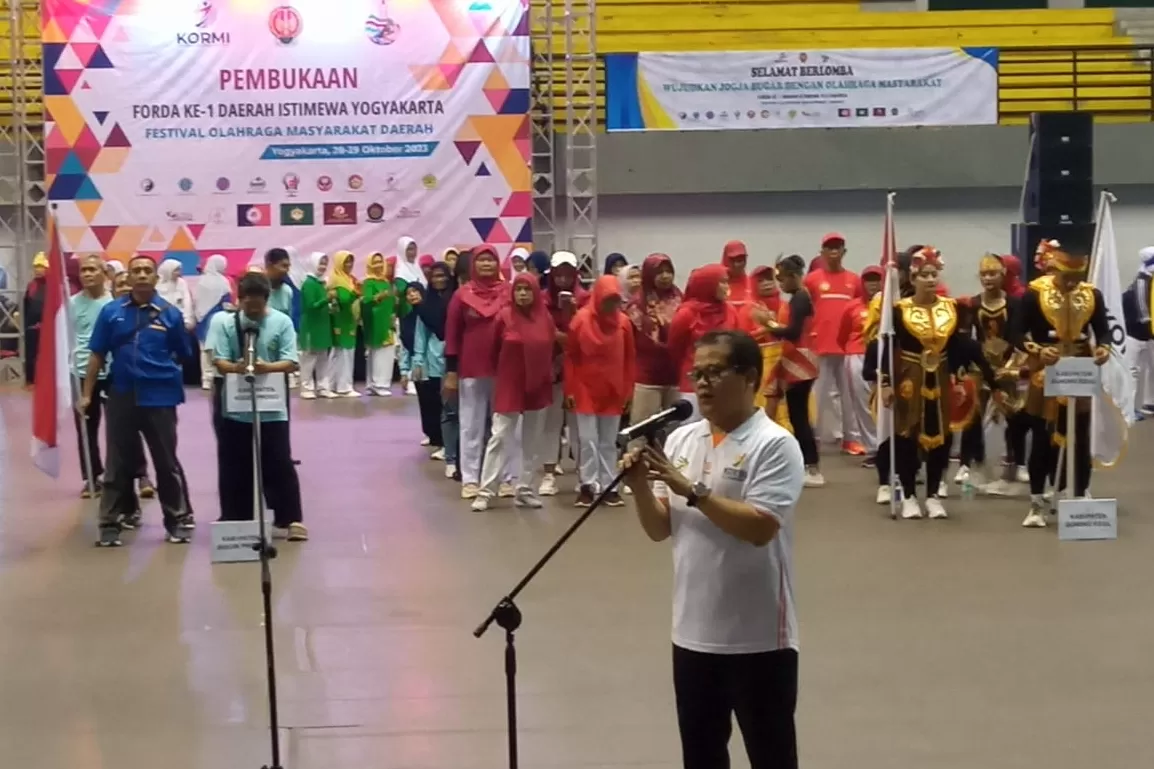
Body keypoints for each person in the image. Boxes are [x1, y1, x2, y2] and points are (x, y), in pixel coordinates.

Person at [622, 329, 805, 769]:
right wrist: (642, 489)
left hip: (759, 638)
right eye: (696, 373)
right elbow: (660, 529)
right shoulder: (684, 439)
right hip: (693, 633)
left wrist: (694, 492)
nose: (701, 384)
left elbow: (760, 528)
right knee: (701, 756)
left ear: (748, 378)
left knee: (771, 754)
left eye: (714, 372)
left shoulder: (775, 445)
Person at [80, 255, 195, 547]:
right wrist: (86, 393)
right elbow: (96, 354)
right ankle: (109, 524)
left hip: (161, 397)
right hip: (122, 395)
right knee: (117, 463)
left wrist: (159, 370)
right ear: (128, 278)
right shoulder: (111, 312)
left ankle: (177, 521)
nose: (142, 275)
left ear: (156, 278)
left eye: (148, 271)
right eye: (136, 271)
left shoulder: (170, 314)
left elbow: (183, 352)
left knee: (166, 462)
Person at [879, 247, 1000, 520]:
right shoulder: (899, 310)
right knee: (908, 434)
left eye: (934, 274)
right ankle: (909, 494)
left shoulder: (951, 308)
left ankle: (933, 493)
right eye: (924, 275)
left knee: (942, 436)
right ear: (913, 278)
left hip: (942, 375)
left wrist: (964, 371)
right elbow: (887, 346)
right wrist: (886, 382)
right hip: (910, 377)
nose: (931, 280)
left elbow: (958, 344)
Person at [206, 272, 307, 541]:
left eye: (258, 305)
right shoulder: (228, 324)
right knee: (233, 462)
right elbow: (219, 360)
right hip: (235, 404)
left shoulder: (281, 322)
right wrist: (237, 368)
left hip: (272, 403)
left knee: (278, 459)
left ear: (266, 299)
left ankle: (291, 517)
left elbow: (291, 361)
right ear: (239, 300)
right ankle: (235, 517)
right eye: (247, 304)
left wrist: (267, 367)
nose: (252, 311)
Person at [1014, 247, 1111, 528]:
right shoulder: (1034, 294)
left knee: (1080, 433)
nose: (1072, 283)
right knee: (1043, 434)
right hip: (1047, 367)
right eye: (1067, 277)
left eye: (1077, 277)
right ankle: (1036, 499)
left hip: (1080, 368)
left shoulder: (1091, 294)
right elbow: (1016, 332)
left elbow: (1102, 328)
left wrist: (1103, 348)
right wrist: (1035, 349)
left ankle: (1079, 491)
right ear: (1055, 269)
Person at [471, 273, 557, 511]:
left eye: (527, 290)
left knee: (532, 439)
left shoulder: (545, 318)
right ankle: (486, 490)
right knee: (500, 436)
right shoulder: (504, 317)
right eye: (518, 289)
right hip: (510, 384)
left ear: (535, 292)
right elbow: (492, 350)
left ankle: (525, 488)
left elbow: (552, 348)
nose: (522, 294)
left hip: (538, 384)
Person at [444, 245, 510, 499]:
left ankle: (506, 478)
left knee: (504, 427)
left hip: (504, 368)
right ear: (473, 265)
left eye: (490, 260)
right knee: (470, 426)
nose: (486, 265)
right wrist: (451, 371)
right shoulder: (461, 295)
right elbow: (452, 335)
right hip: (470, 368)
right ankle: (471, 479)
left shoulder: (509, 292)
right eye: (480, 260)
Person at [565, 274, 636, 507]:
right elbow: (571, 357)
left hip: (613, 390)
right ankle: (587, 485)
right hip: (585, 388)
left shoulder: (624, 323)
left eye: (616, 300)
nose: (611, 305)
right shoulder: (580, 320)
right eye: (607, 299)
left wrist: (628, 392)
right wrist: (570, 390)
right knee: (588, 440)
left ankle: (609, 486)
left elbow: (629, 360)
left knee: (608, 441)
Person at [956, 254, 1022, 492]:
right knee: (972, 413)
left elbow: (1018, 337)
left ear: (1003, 275)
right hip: (979, 363)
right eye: (984, 274)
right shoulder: (972, 304)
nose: (988, 278)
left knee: (1013, 415)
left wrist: (1012, 363)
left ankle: (1016, 462)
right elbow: (965, 337)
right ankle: (967, 462)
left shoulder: (1013, 304)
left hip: (1006, 363)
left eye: (993, 273)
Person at [762, 255, 822, 487]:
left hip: (801, 361)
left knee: (799, 416)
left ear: (794, 277)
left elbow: (793, 332)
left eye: (782, 279)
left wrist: (768, 325)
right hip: (797, 359)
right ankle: (806, 463)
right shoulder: (799, 297)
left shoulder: (799, 299)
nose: (780, 284)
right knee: (798, 415)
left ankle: (812, 466)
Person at [804, 233, 864, 454]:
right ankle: (816, 439)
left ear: (844, 252)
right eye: (829, 248)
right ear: (822, 252)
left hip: (847, 347)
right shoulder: (811, 280)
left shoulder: (854, 280)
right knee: (819, 397)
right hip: (819, 346)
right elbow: (802, 311)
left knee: (850, 395)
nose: (833, 252)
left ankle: (852, 439)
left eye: (837, 248)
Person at [539, 250, 587, 495]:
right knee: (551, 423)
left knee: (579, 424)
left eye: (569, 272)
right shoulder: (541, 299)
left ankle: (583, 474)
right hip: (551, 370)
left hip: (578, 371)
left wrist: (574, 314)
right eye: (559, 272)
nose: (564, 278)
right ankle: (548, 473)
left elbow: (587, 335)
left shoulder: (586, 299)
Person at [668, 264, 738, 421]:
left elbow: (736, 343)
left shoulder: (730, 311)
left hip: (724, 382)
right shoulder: (686, 313)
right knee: (691, 433)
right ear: (708, 285)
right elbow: (675, 348)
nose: (726, 287)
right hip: (693, 384)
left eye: (727, 282)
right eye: (722, 282)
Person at [71, 255, 114, 497]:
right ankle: (91, 476)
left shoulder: (114, 303)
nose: (87, 274)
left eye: (92, 269)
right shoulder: (71, 304)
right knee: (85, 428)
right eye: (83, 270)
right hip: (80, 372)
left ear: (104, 273)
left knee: (121, 428)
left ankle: (138, 475)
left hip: (113, 372)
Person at [626, 253, 683, 428]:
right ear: (649, 275)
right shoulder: (637, 304)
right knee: (641, 429)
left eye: (669, 271)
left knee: (676, 430)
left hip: (675, 374)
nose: (666, 276)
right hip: (647, 376)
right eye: (660, 272)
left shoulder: (680, 298)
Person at [837, 265, 884, 468]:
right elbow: (842, 335)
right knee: (864, 404)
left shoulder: (892, 306)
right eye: (868, 280)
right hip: (857, 356)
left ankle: (888, 445)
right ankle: (874, 449)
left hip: (885, 356)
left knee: (885, 404)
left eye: (876, 279)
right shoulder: (852, 307)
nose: (872, 284)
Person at [412, 261, 454, 469]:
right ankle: (444, 443)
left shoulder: (455, 300)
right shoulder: (426, 305)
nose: (439, 280)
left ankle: (452, 446)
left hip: (453, 359)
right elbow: (421, 335)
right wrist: (418, 360)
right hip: (434, 360)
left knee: (452, 405)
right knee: (438, 405)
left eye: (442, 276)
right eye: (435, 277)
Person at [361, 253, 400, 396]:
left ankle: (374, 383)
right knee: (378, 352)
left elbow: (389, 302)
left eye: (380, 262)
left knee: (384, 352)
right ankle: (379, 384)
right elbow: (365, 301)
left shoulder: (385, 282)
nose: (378, 265)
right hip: (374, 321)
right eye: (375, 262)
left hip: (386, 321)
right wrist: (379, 297)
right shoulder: (368, 282)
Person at [194, 254, 234, 391]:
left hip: (201, 318)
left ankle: (206, 379)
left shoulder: (201, 281)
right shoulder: (223, 281)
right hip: (218, 318)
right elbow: (227, 302)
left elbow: (196, 301)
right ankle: (217, 376)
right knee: (218, 348)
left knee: (204, 350)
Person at [298, 252, 334, 399]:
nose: (323, 267)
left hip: (322, 325)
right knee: (309, 359)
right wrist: (327, 299)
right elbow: (310, 306)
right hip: (311, 326)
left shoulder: (320, 283)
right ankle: (306, 387)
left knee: (323, 358)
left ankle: (322, 387)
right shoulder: (308, 284)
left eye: (325, 264)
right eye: (320, 263)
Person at [326, 250, 361, 397]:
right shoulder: (335, 280)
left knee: (342, 352)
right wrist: (356, 293)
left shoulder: (350, 279)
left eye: (351, 261)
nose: (349, 264)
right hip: (340, 319)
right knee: (342, 353)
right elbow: (344, 300)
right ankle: (344, 387)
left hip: (350, 319)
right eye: (346, 261)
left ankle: (333, 384)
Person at [22, 251, 48, 385]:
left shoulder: (52, 286)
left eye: (41, 266)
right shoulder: (31, 286)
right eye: (36, 267)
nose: (38, 270)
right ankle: (31, 379)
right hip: (32, 328)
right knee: (31, 354)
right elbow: (26, 306)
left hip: (47, 328)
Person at [721, 240, 753, 307]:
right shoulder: (716, 286)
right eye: (732, 260)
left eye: (740, 260)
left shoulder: (754, 284)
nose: (736, 265)